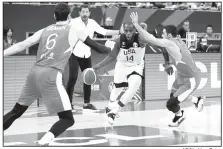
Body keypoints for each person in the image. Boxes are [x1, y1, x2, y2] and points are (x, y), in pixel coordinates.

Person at [3, 3, 111, 146]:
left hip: (34, 74)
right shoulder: (75, 29)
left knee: (16, 111)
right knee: (67, 119)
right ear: (69, 16)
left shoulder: (45, 30)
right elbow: (99, 48)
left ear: (54, 16)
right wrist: (113, 47)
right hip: (51, 75)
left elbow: (22, 45)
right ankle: (43, 141)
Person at [130, 12, 205, 127]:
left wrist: (136, 24)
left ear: (169, 36)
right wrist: (167, 63)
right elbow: (167, 50)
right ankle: (196, 101)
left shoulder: (170, 42)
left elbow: (150, 38)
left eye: (164, 33)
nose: (162, 35)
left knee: (171, 104)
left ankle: (180, 115)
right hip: (182, 75)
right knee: (173, 97)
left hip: (191, 80)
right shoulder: (177, 40)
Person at [66, 5, 120, 112]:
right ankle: (68, 104)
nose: (85, 14)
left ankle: (87, 103)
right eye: (83, 12)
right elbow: (66, 29)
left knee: (88, 79)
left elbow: (103, 31)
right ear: (79, 13)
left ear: (89, 13)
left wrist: (119, 32)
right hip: (74, 54)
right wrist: (67, 22)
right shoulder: (74, 22)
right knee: (72, 78)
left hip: (87, 54)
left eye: (87, 12)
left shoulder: (92, 23)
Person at [93, 22, 147, 125]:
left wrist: (168, 62)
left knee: (135, 84)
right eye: (126, 31)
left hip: (136, 65)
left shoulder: (141, 39)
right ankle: (109, 108)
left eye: (130, 31)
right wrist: (98, 66)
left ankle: (114, 111)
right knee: (116, 90)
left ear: (135, 30)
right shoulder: (119, 40)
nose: (127, 33)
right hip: (122, 65)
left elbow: (160, 44)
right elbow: (112, 57)